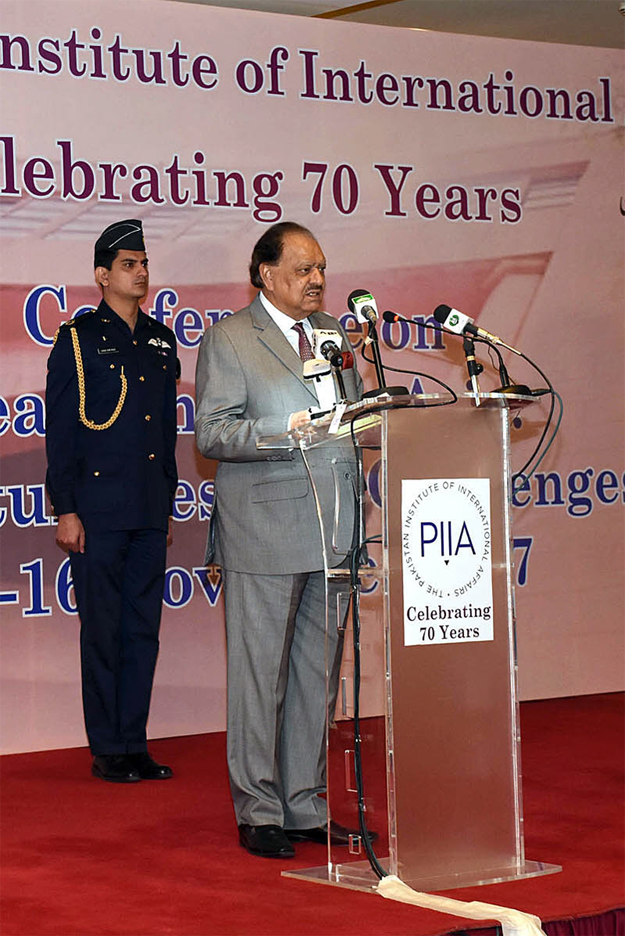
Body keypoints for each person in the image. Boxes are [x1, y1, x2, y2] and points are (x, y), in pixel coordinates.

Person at [195, 221, 363, 857]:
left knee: (315, 678)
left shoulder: (332, 335)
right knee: (259, 676)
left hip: (334, 526)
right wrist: (283, 428)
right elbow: (212, 433)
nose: (316, 280)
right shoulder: (231, 339)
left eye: (321, 268)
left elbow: (350, 426)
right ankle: (259, 809)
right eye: (302, 268)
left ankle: (305, 805)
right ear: (265, 274)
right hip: (263, 528)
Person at [45, 219, 178, 783]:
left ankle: (134, 742)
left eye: (144, 262)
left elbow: (165, 430)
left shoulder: (159, 339)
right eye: (129, 264)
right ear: (102, 276)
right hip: (97, 509)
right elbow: (63, 430)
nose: (141, 272)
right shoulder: (76, 340)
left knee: (141, 628)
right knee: (102, 629)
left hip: (148, 508)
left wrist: (166, 504)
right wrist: (66, 507)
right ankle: (107, 747)